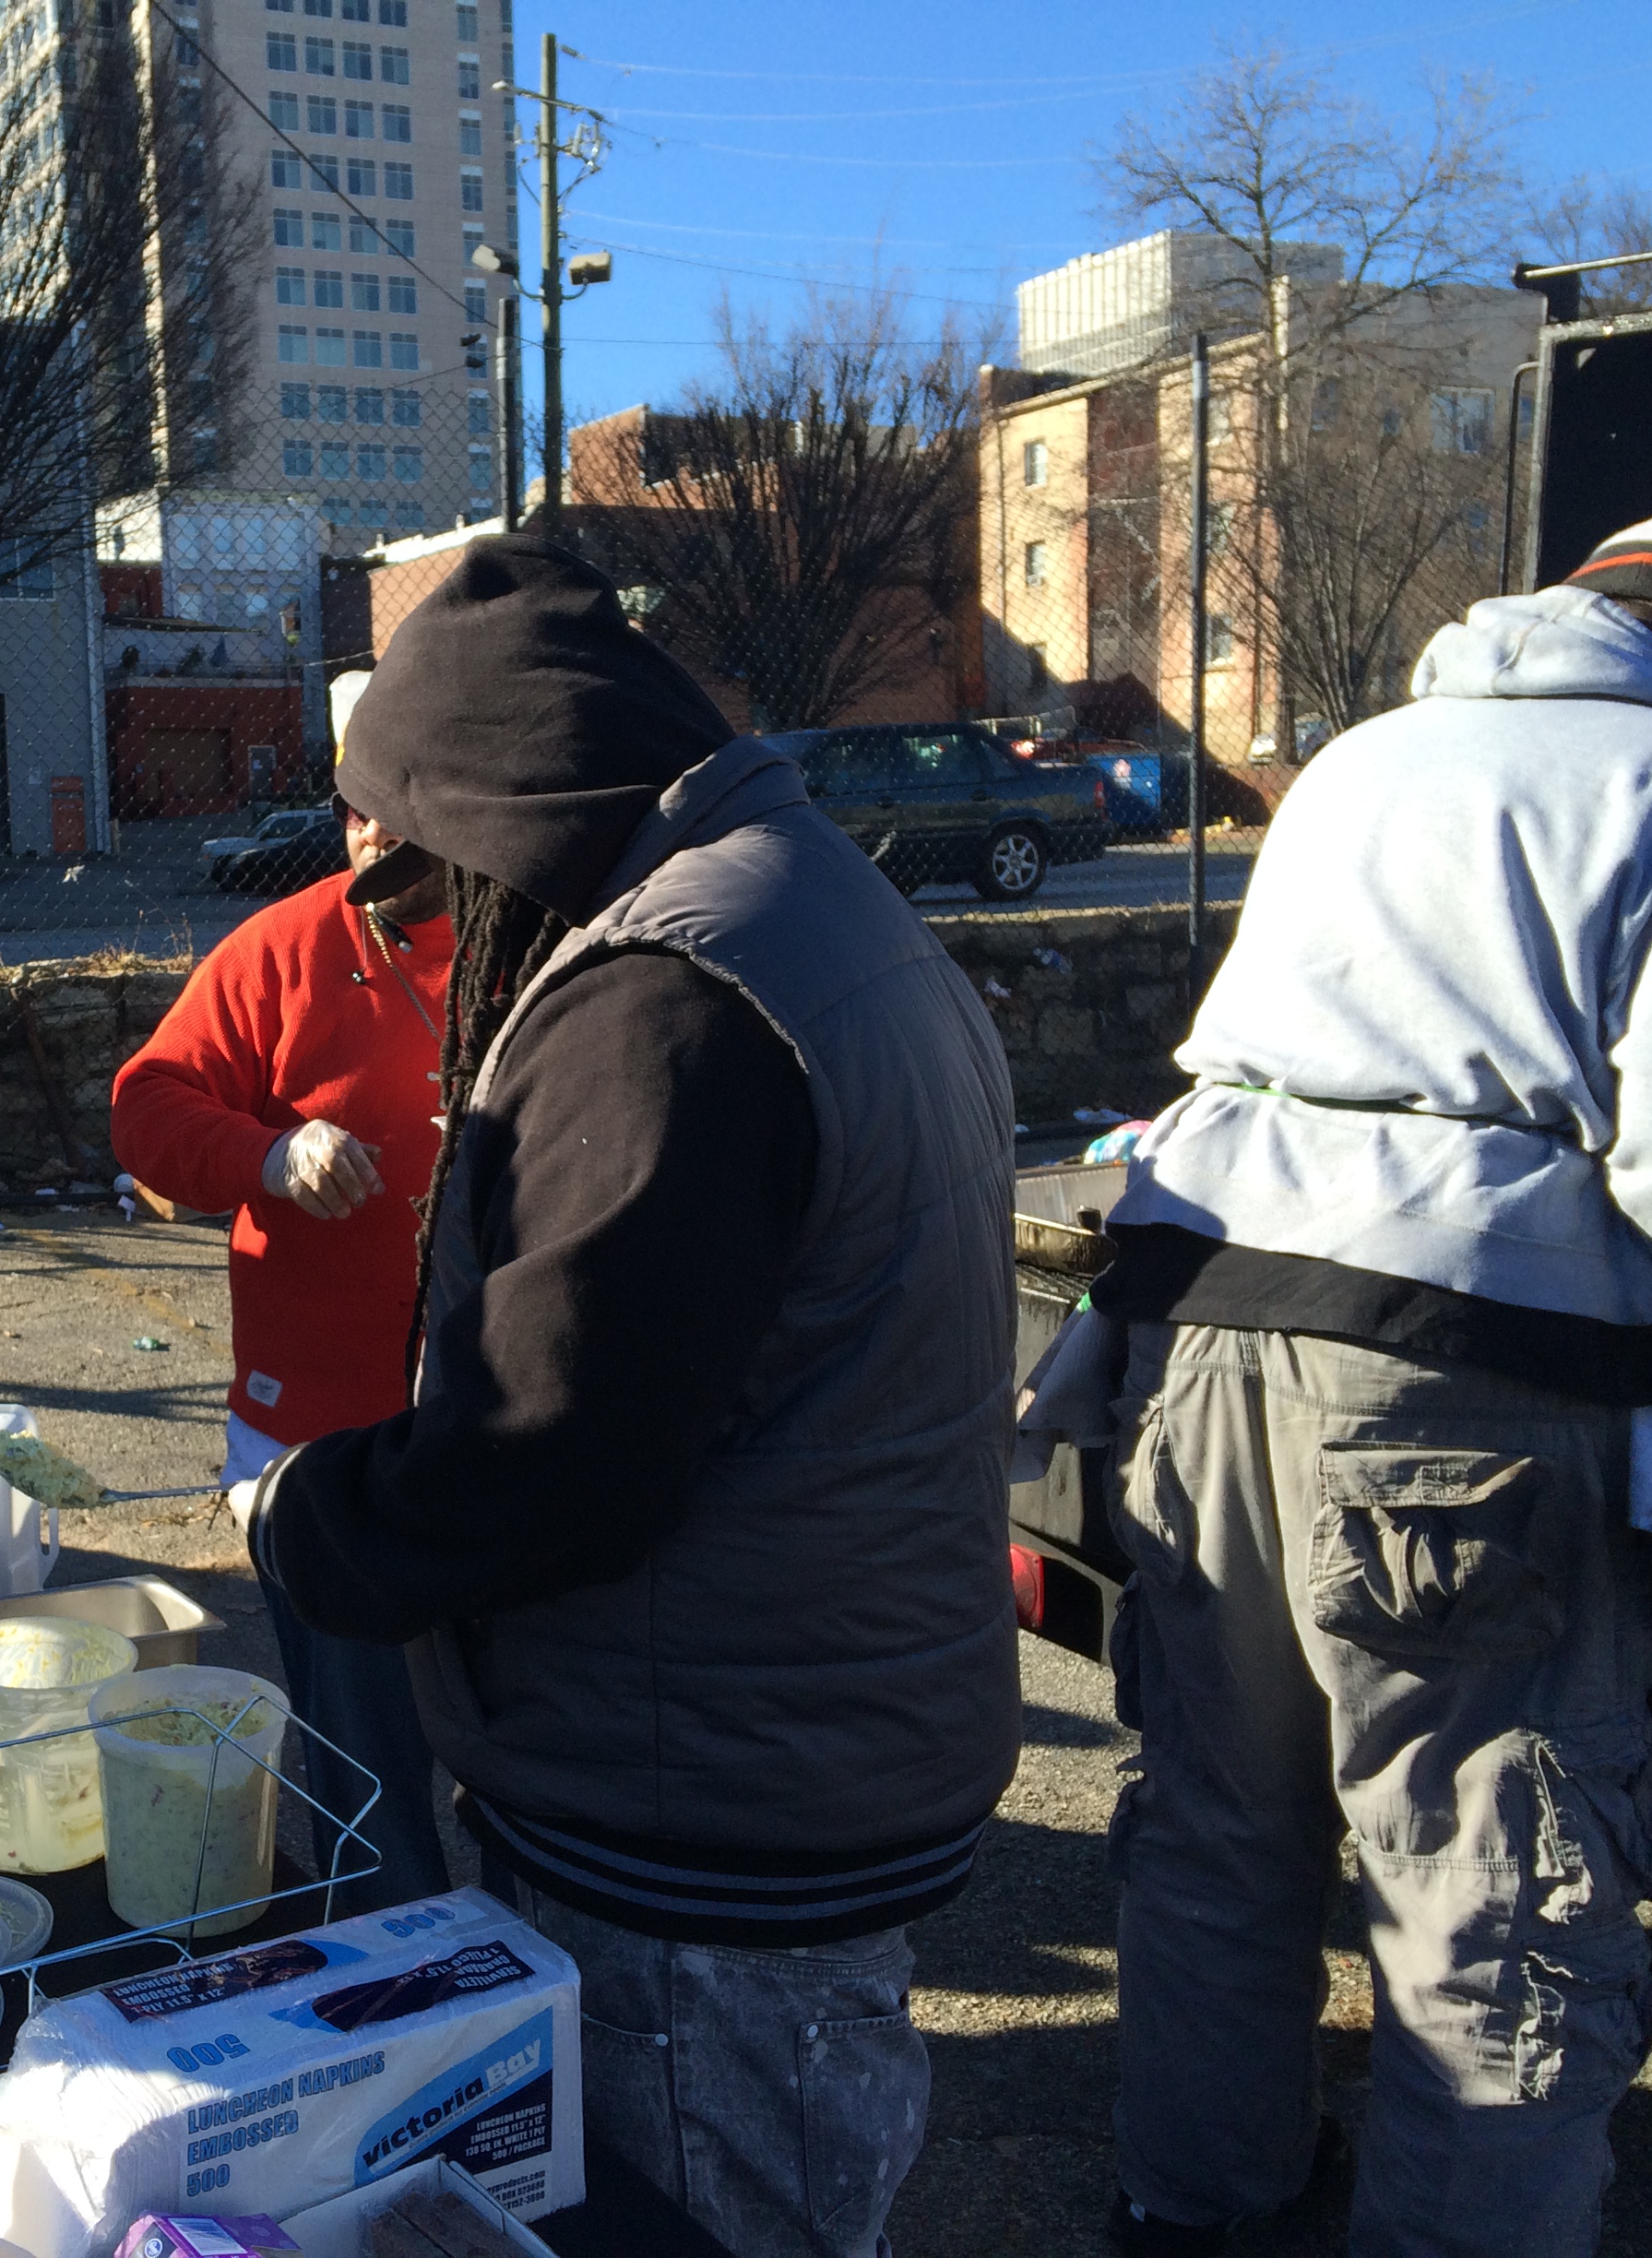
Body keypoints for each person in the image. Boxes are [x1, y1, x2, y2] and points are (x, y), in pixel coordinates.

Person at [240, 537, 1022, 2254]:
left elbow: (560, 1442)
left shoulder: (666, 999)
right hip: (813, 1732)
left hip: (707, 1806)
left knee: (697, 2214)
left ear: (508, 818)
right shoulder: (806, 899)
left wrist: (312, 1518)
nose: (445, 933)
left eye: (446, 881)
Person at [1064, 501, 1652, 2258]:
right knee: (1488, 1890)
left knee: (1218, 1818)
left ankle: (1194, 2202)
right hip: (1469, 1370)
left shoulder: (1362, 759)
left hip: (1201, 1315)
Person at [109, 677, 458, 1910]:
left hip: (500, 1421)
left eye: (397, 801)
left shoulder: (534, 938)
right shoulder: (280, 950)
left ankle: (533, 1967)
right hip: (318, 1433)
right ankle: (390, 1955)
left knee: (526, 1732)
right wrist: (269, 1153)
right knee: (365, 1759)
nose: (372, 832)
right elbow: (147, 1108)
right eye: (352, 804)